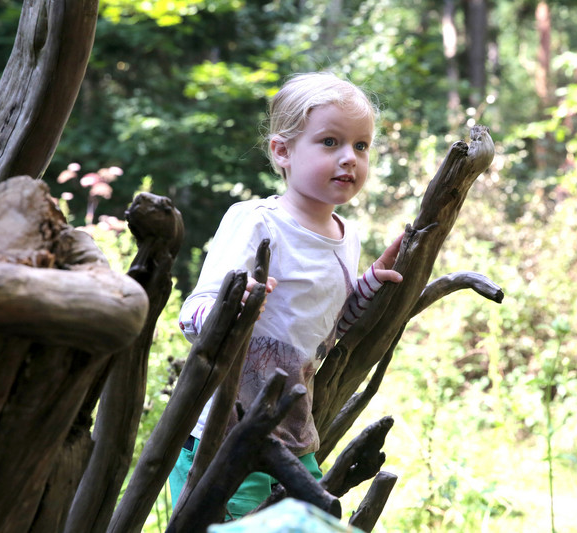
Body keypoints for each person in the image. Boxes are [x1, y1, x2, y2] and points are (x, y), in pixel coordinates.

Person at [169, 71, 403, 519]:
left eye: (361, 145)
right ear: (282, 151)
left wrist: (371, 284)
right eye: (330, 142)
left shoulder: (346, 235)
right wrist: (231, 307)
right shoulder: (256, 222)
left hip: (292, 435)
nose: (349, 158)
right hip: (222, 436)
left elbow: (329, 328)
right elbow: (192, 313)